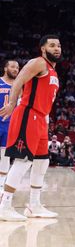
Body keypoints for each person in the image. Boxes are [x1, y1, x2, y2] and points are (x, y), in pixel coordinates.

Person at [0, 36, 61, 221]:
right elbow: (18, 80)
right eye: (52, 45)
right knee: (23, 161)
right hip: (28, 114)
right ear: (43, 48)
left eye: (58, 45)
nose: (57, 48)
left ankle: (34, 205)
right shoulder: (38, 63)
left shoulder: (52, 70)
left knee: (42, 162)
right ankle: (5, 205)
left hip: (42, 119)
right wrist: (11, 104)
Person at [0, 59, 20, 187]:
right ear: (5, 68)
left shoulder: (19, 86)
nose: (15, 70)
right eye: (12, 67)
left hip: (9, 125)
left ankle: (1, 185)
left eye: (17, 68)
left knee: (5, 156)